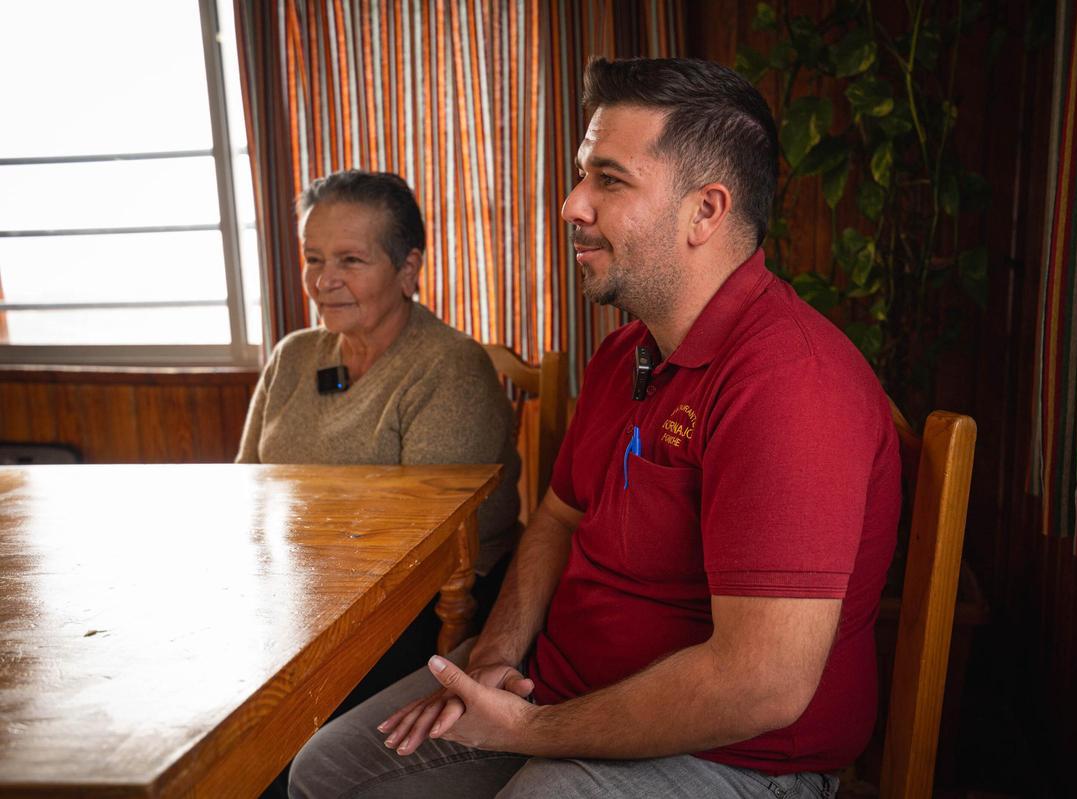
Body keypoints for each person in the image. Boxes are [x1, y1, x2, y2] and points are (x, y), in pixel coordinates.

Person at [289, 58, 900, 799]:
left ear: (704, 211)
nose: (573, 204)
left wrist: (528, 731)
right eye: (583, 175)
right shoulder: (626, 352)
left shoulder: (791, 383)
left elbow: (759, 686)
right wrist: (495, 654)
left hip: (741, 753)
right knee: (325, 771)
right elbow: (556, 515)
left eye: (609, 181)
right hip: (555, 690)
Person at [237, 170, 521, 701]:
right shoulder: (294, 356)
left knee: (267, 707)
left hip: (417, 606)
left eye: (350, 259)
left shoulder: (449, 367)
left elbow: (426, 551)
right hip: (301, 593)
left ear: (407, 267)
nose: (324, 281)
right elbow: (245, 487)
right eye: (314, 258)